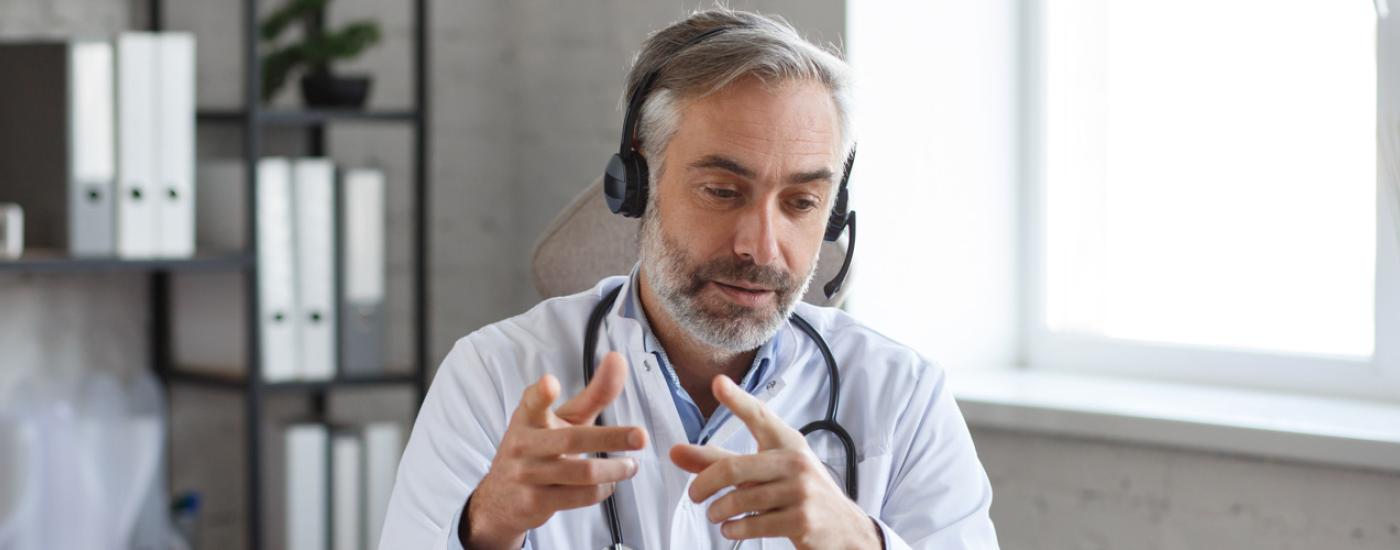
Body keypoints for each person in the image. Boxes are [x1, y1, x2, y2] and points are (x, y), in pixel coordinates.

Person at [379, 8, 998, 549]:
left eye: (802, 203)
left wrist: (857, 541)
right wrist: (486, 523)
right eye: (722, 191)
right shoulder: (492, 377)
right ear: (637, 184)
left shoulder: (903, 397)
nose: (761, 246)